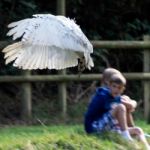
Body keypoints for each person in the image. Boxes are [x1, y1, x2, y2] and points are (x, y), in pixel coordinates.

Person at [84, 73, 150, 150]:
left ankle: (146, 147)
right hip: (95, 127)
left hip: (108, 128)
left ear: (122, 89)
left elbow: (131, 105)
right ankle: (126, 137)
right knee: (120, 107)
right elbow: (89, 116)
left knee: (138, 130)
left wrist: (130, 104)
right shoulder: (102, 96)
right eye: (114, 86)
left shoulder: (116, 97)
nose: (116, 89)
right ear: (109, 86)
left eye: (119, 88)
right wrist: (90, 131)